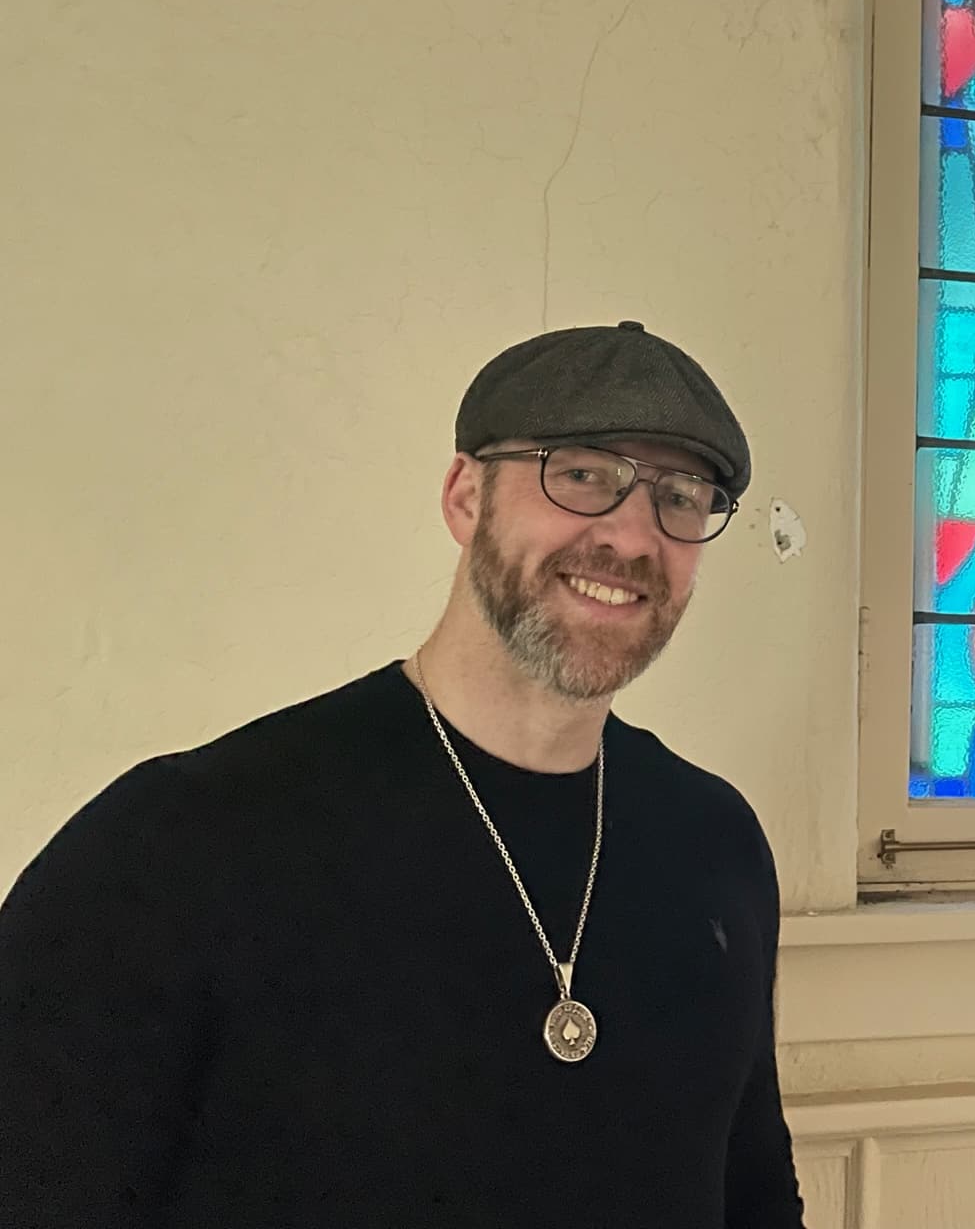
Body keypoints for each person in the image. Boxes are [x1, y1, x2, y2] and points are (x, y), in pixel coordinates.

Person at [0, 321, 805, 1228]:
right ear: (466, 497)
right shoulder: (176, 843)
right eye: (581, 474)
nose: (630, 536)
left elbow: (755, 1195)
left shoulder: (716, 844)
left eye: (681, 496)